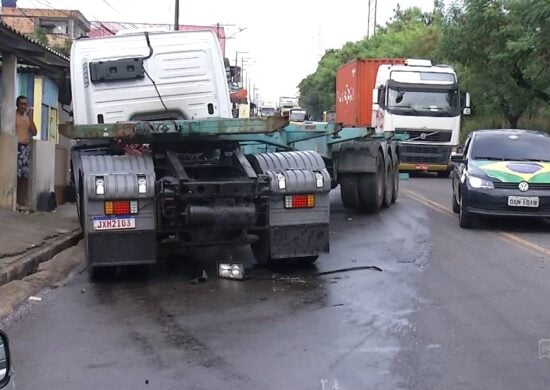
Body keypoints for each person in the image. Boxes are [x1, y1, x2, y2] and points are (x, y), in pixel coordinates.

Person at [15, 95, 38, 211]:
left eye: (25, 104)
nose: (24, 106)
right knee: (17, 176)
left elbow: (34, 132)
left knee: (25, 176)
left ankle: (22, 201)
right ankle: (16, 201)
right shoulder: (13, 116)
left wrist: (30, 117)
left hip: (25, 148)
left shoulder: (27, 118)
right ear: (17, 105)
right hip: (16, 147)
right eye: (22, 104)